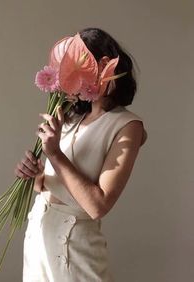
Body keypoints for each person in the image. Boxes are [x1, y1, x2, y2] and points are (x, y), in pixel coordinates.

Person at [15, 27, 148, 282]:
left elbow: (98, 205)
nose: (73, 84)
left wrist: (54, 153)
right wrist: (35, 175)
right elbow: (53, 183)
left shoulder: (127, 126)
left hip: (74, 246)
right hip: (39, 232)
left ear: (105, 65)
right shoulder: (71, 115)